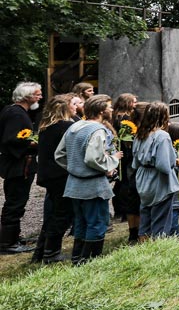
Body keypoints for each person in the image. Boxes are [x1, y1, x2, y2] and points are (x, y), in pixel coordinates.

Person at [55, 94, 121, 264]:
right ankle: (90, 261)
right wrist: (113, 160)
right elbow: (93, 159)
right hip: (93, 186)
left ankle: (77, 258)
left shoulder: (74, 127)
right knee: (97, 223)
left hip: (74, 185)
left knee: (81, 223)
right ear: (101, 110)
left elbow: (60, 155)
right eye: (109, 106)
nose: (112, 109)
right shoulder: (97, 131)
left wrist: (75, 168)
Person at [31, 95, 76, 263]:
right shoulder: (66, 127)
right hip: (60, 175)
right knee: (62, 214)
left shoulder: (46, 127)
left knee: (53, 214)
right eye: (72, 104)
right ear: (64, 108)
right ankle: (51, 253)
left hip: (48, 176)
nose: (75, 108)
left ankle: (41, 252)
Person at [0, 81, 42, 254]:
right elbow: (11, 139)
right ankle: (8, 242)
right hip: (18, 165)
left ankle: (13, 237)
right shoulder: (16, 114)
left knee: (17, 200)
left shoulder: (14, 111)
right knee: (15, 202)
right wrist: (33, 144)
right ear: (27, 96)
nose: (40, 96)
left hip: (19, 164)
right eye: (37, 93)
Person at [131, 102, 179, 238]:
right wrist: (174, 162)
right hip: (158, 181)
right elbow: (163, 166)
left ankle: (144, 250)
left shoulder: (140, 134)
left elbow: (135, 163)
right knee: (161, 222)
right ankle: (158, 252)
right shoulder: (162, 136)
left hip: (143, 179)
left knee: (145, 221)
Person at [111, 93, 141, 244]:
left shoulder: (118, 115)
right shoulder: (123, 118)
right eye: (133, 101)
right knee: (126, 186)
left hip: (123, 154)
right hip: (126, 154)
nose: (135, 104)